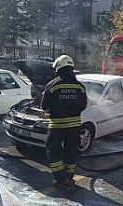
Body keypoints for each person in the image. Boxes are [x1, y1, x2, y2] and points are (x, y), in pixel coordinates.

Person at [41, 55, 87, 187]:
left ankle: (60, 178)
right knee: (71, 151)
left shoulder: (52, 85)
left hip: (57, 126)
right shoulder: (80, 86)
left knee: (53, 150)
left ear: (58, 68)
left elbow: (44, 107)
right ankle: (69, 177)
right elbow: (83, 106)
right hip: (75, 126)